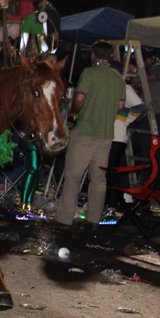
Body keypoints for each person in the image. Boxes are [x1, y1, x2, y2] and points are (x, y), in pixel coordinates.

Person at [55, 40, 126, 226]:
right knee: (99, 178)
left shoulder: (89, 73)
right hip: (106, 134)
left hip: (86, 131)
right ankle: (94, 218)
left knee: (73, 176)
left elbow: (79, 99)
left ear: (93, 55)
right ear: (110, 56)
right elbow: (121, 106)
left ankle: (64, 219)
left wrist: (73, 111)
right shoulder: (118, 78)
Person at [104, 60, 144, 210]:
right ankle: (115, 202)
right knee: (110, 170)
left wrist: (126, 120)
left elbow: (139, 106)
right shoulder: (111, 88)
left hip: (117, 135)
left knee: (111, 170)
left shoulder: (124, 89)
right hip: (109, 134)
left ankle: (112, 205)